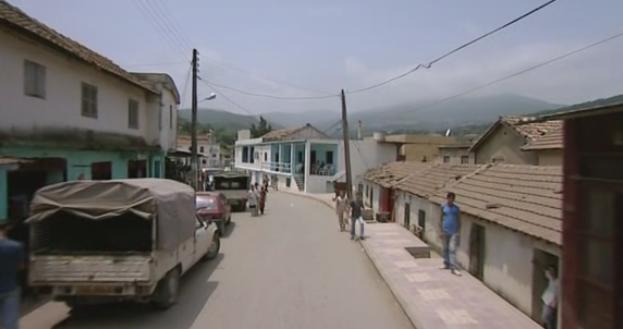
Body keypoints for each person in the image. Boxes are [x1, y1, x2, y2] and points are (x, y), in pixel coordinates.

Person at [0, 222, 25, 329]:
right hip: (10, 288)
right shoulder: (16, 246)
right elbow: (21, 267)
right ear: (6, 230)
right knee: (10, 322)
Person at [439, 192, 461, 276]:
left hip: (453, 232)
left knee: (452, 249)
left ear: (454, 199)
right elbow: (440, 219)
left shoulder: (456, 209)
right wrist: (440, 231)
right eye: (449, 198)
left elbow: (459, 221)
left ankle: (453, 268)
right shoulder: (443, 207)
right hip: (445, 231)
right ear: (447, 198)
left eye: (452, 198)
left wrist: (458, 231)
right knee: (445, 248)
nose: (450, 200)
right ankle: (446, 263)